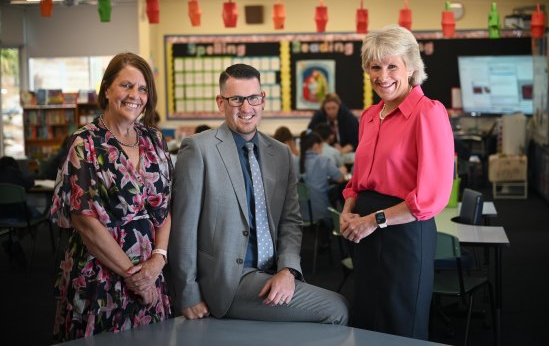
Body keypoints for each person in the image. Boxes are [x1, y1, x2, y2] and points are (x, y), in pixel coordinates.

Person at [169, 63, 348, 325]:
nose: (246, 107)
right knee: (337, 308)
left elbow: (290, 221)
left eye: (253, 97)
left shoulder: (281, 153)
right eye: (236, 99)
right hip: (228, 281)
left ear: (262, 100)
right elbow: (183, 228)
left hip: (274, 272)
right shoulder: (198, 149)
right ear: (221, 103)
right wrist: (187, 294)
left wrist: (288, 269)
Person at [339, 25, 454, 339]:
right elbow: (358, 181)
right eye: (375, 67)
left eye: (392, 66)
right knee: (365, 318)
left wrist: (374, 221)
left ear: (412, 67)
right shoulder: (369, 116)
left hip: (403, 233)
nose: (382, 75)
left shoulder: (428, 113)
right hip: (365, 232)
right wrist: (348, 211)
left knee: (400, 322)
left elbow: (431, 197)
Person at [50, 52, 174, 342]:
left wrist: (158, 261)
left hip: (151, 274)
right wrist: (134, 276)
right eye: (126, 85)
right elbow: (85, 222)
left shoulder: (154, 139)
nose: (135, 95)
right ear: (106, 89)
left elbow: (165, 208)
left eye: (143, 89)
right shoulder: (85, 143)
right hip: (100, 277)